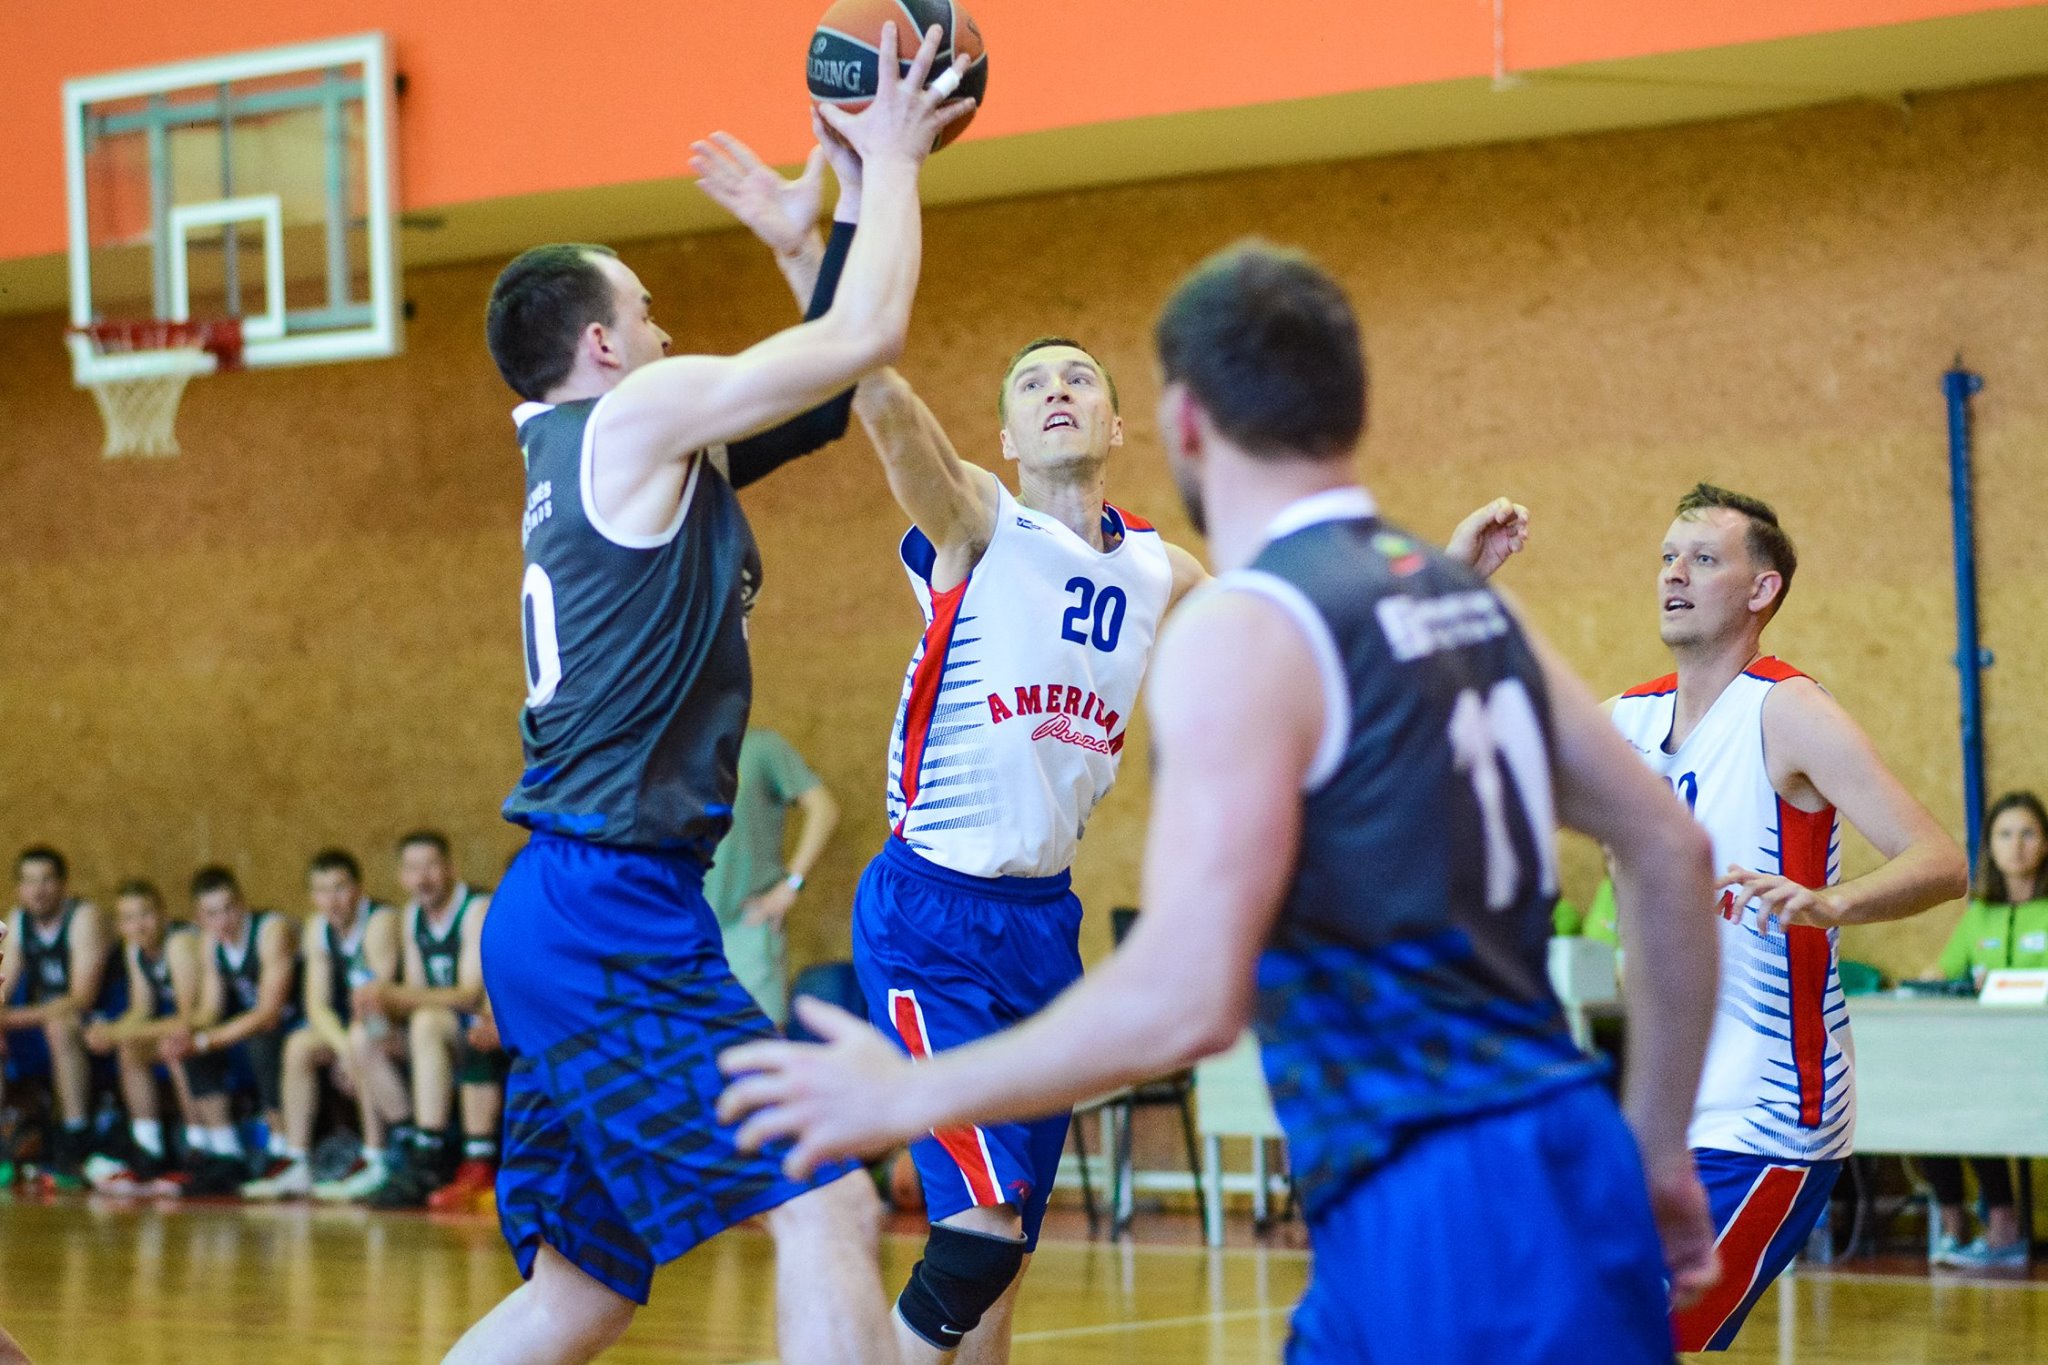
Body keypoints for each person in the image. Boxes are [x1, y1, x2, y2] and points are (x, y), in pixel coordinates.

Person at [717, 240, 1726, 1363]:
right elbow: (1670, 849)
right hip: (944, 909)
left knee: (1002, 1246)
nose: (1057, 393)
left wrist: (899, 1098)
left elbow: (1189, 998)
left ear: (1167, 423)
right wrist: (1657, 1148)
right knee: (986, 1240)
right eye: (1032, 384)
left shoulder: (1206, 598)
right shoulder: (996, 526)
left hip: (1387, 1163)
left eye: (1078, 377)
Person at [443, 28, 974, 1363]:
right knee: (827, 1202)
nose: (671, 331)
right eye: (649, 312)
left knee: (581, 1293)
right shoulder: (631, 419)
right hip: (602, 915)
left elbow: (829, 388)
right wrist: (894, 159)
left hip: (583, 907)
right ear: (603, 344)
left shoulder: (616, 456)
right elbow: (867, 330)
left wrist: (828, 216)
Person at [1607, 483, 1968, 1349]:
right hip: (1665, 1111)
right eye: (1667, 557)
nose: (1674, 574)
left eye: (1703, 558)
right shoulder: (1628, 718)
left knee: (1618, 1335)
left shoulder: (1787, 710)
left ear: (1761, 589)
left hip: (1770, 1113)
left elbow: (1942, 860)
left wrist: (1832, 902)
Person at [1921, 789, 2048, 1267]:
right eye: (2005, 834)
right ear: (1990, 846)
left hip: (2037, 1057)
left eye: (2028, 833)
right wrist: (1933, 981)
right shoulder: (1979, 916)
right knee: (1929, 1099)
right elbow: (1940, 974)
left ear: (2045, 843)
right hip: (1987, 1059)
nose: (2017, 845)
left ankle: (2004, 1226)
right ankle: (1954, 1224)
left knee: (1977, 1096)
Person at [353, 831, 500, 1211]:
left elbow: (469, 995)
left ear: (450, 868)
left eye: (431, 867)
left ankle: (430, 1156)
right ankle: (408, 1143)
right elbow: (417, 991)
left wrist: (393, 993)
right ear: (401, 876)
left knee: (427, 1022)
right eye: (413, 869)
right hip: (437, 1036)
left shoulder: (475, 908)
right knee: (363, 1036)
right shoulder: (411, 916)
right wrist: (375, 1006)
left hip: (482, 1029)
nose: (422, 878)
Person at [241, 849, 396, 1199]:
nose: (332, 900)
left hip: (388, 1025)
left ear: (359, 888)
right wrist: (343, 1051)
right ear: (312, 896)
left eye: (340, 888)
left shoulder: (380, 921)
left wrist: (352, 1050)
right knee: (299, 1045)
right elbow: (317, 1005)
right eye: (322, 891)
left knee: (362, 1039)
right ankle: (297, 1159)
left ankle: (376, 1157)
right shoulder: (318, 928)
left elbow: (376, 1001)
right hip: (352, 1031)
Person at [166, 865, 302, 1190]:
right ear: (200, 917)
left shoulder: (271, 931)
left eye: (229, 909)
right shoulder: (211, 944)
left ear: (242, 904)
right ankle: (225, 1152)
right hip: (253, 1025)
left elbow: (268, 1013)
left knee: (262, 1041)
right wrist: (186, 1032)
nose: (224, 920)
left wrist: (206, 1040)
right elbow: (210, 1009)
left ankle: (280, 1149)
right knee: (191, 1047)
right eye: (213, 914)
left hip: (293, 1022)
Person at [703, 730, 841, 1026]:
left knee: (760, 1039)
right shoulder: (670, 751)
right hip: (685, 927)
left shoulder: (760, 747)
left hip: (746, 924)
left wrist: (791, 885)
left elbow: (823, 808)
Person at [81, 879, 202, 1190]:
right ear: (120, 926)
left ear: (163, 914)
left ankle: (199, 1147)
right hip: (178, 1029)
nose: (139, 925)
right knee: (131, 1050)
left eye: (145, 914)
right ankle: (148, 1148)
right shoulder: (135, 950)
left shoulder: (179, 944)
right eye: (129, 918)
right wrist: (110, 1031)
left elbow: (189, 1018)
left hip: (214, 1030)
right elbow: (141, 1009)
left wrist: (121, 1034)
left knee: (174, 1046)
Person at [0, 846, 110, 1185]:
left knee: (60, 1026)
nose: (38, 890)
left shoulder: (83, 917)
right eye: (30, 882)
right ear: (19, 888)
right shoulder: (18, 921)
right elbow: (4, 986)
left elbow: (81, 999)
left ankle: (75, 1138)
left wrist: (8, 1019)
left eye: (46, 880)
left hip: (96, 1023)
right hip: (39, 1022)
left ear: (63, 884)